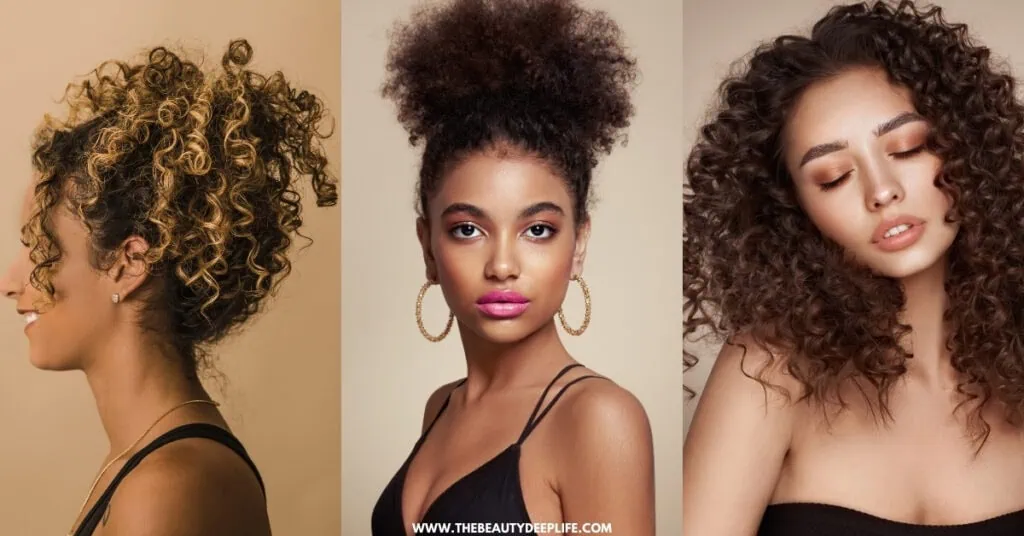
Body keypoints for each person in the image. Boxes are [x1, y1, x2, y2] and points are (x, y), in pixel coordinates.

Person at [682, 1, 1024, 535]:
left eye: (908, 147)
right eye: (834, 176)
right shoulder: (769, 372)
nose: (882, 190)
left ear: (965, 145)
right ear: (793, 208)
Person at [1, 39, 336, 536]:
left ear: (130, 263)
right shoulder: (143, 463)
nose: (10, 283)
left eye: (39, 247)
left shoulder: (170, 487)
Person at [368, 0, 655, 534]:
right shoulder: (441, 408)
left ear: (580, 243)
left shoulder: (598, 418)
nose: (502, 265)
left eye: (538, 230)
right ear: (428, 247)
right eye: (467, 230)